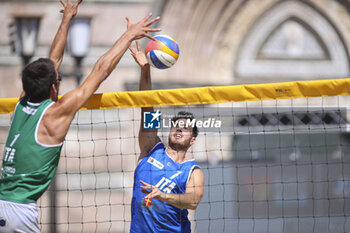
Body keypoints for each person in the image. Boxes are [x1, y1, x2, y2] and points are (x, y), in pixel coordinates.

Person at [0, 0, 161, 231]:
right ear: (53, 88)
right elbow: (101, 73)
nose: (179, 132)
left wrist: (67, 18)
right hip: (19, 212)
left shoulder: (22, 102)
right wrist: (132, 45)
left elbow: (53, 62)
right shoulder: (152, 147)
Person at [129, 41, 205, 232]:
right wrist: (146, 70)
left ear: (192, 140)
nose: (179, 129)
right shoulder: (151, 148)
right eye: (176, 126)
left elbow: (193, 201)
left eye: (185, 129)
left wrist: (163, 196)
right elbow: (147, 107)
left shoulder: (192, 171)